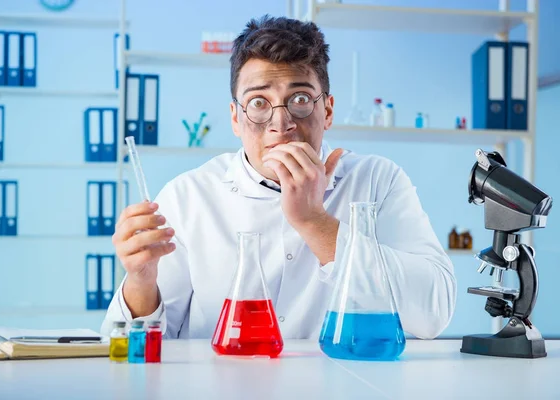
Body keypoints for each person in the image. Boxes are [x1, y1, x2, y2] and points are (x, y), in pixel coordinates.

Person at [101, 15, 456, 340]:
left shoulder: (378, 180)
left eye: (300, 98)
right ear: (236, 119)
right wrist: (141, 281)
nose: (280, 123)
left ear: (327, 110)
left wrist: (315, 223)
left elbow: (433, 314)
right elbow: (132, 347)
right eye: (258, 102)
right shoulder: (189, 195)